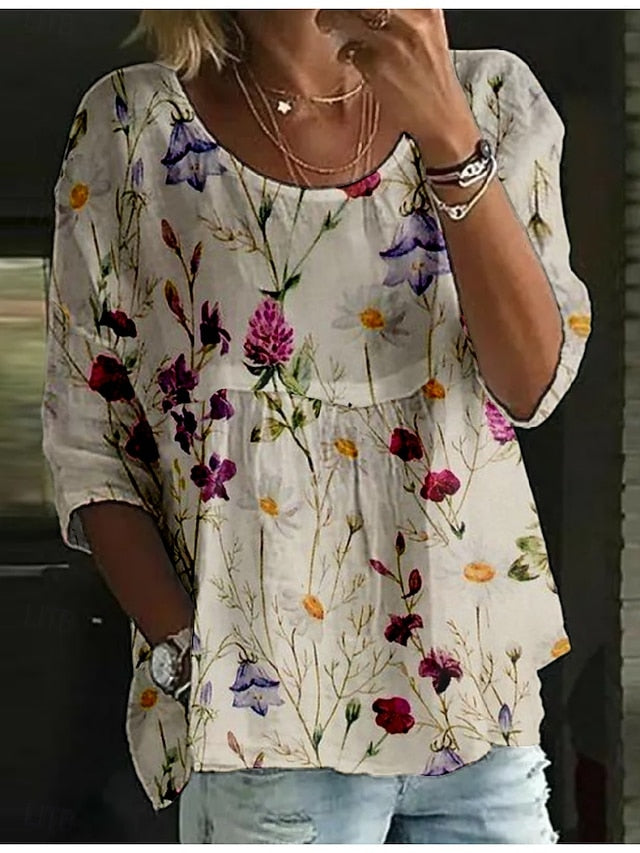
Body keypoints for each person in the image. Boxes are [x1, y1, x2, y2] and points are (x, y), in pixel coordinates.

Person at [42, 8, 592, 844]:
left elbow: (531, 384)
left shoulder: (491, 97)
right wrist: (188, 653)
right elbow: (91, 439)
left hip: (483, 719)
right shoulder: (134, 127)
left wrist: (448, 134)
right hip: (262, 735)